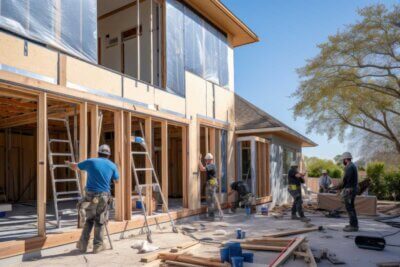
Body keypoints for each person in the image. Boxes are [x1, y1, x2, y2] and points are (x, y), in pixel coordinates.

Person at [67, 144, 119, 253]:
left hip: (90, 195)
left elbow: (75, 166)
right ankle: (98, 246)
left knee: (89, 220)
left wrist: (68, 164)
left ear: (98, 153)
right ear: (109, 155)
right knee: (100, 221)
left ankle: (82, 244)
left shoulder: (91, 161)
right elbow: (117, 180)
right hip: (103, 196)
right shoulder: (112, 165)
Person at [340, 152, 359, 232]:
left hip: (349, 191)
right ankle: (353, 224)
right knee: (351, 208)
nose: (343, 161)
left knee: (350, 208)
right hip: (352, 189)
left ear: (345, 159)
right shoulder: (352, 166)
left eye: (343, 160)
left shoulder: (349, 167)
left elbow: (346, 179)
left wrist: (340, 187)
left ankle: (353, 226)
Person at [198, 153, 218, 219]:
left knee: (210, 200)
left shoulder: (211, 165)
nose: (206, 161)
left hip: (211, 183)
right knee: (211, 199)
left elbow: (202, 169)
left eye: (206, 160)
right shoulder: (211, 165)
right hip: (212, 182)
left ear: (210, 160)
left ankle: (211, 216)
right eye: (205, 160)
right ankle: (211, 215)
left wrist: (199, 160)